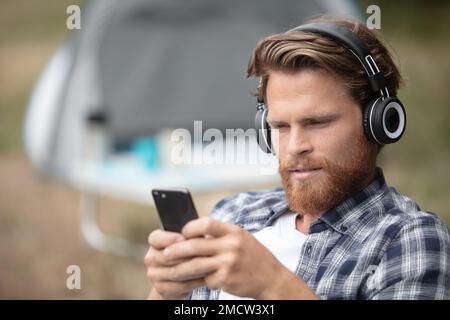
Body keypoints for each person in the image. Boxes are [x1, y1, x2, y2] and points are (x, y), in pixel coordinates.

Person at [144, 15, 450, 300]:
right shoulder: (234, 213)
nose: (295, 146)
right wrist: (166, 292)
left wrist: (274, 284)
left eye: (317, 123)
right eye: (280, 126)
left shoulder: (406, 240)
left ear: (380, 123)